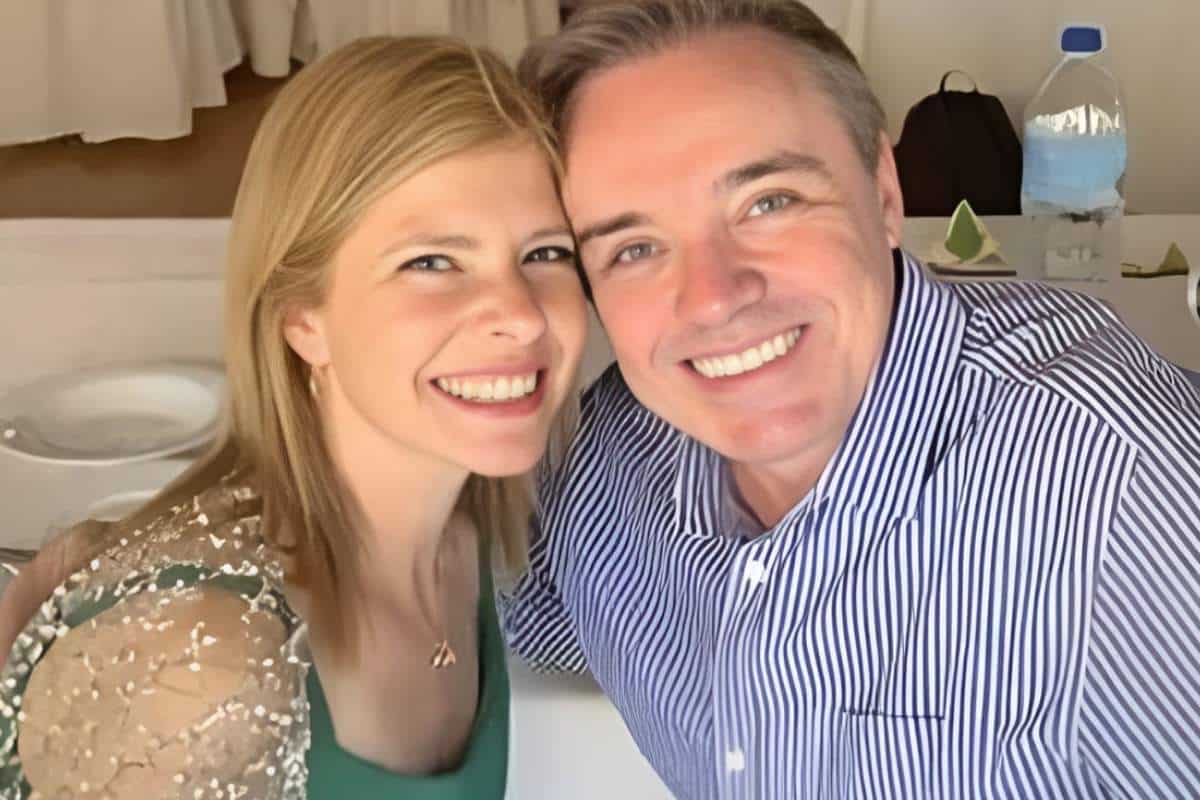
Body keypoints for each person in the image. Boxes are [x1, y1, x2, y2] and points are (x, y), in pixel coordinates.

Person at [502, 1, 1200, 798]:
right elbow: (521, 620)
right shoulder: (605, 462)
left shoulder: (1129, 499)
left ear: (884, 192)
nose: (714, 298)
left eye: (768, 203)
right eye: (634, 248)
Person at [0, 35, 586, 798]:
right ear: (302, 317)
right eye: (431, 262)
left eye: (546, 253)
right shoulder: (203, 671)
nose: (521, 315)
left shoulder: (475, 528)